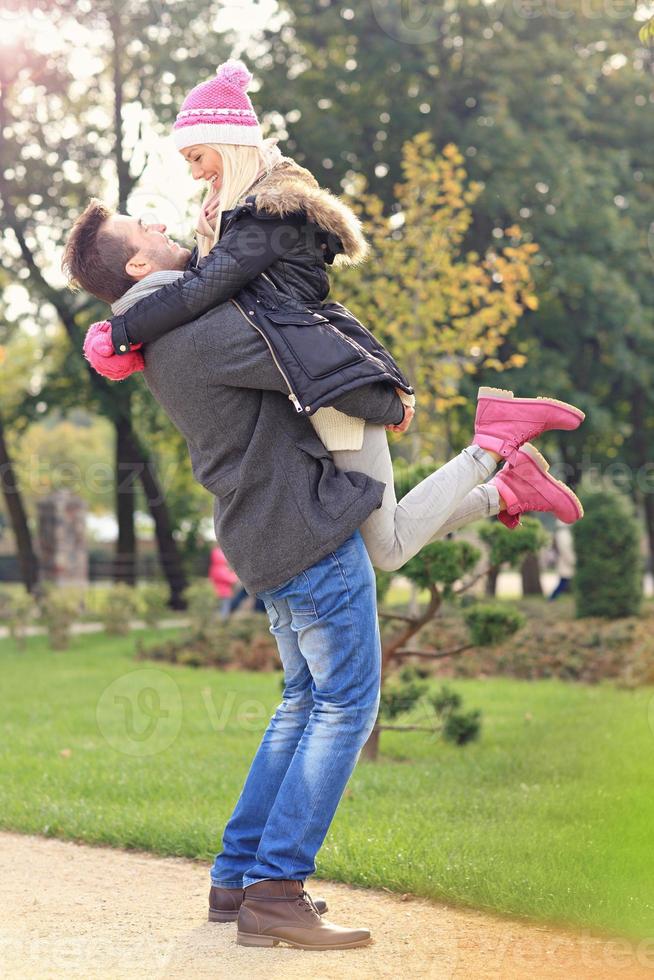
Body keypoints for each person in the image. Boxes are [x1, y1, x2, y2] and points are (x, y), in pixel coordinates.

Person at [84, 59, 585, 574]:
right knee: (383, 540)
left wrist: (122, 333)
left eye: (197, 155)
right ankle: (507, 488)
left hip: (325, 376)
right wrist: (205, 238)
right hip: (312, 378)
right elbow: (215, 293)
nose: (194, 172)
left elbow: (205, 290)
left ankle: (492, 444)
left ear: (228, 141)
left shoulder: (270, 214)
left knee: (385, 549)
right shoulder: (239, 215)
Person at [549, 519, 576, 600]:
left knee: (564, 581)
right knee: (563, 582)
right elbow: (565, 550)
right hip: (566, 562)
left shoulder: (562, 533)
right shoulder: (563, 534)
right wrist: (573, 561)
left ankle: (553, 598)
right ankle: (552, 598)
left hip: (566, 562)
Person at [208, 546, 239, 618]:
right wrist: (235, 576)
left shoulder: (213, 568)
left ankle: (220, 621)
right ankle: (223, 622)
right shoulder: (221, 569)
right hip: (224, 593)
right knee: (225, 610)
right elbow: (230, 579)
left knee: (220, 608)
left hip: (217, 592)